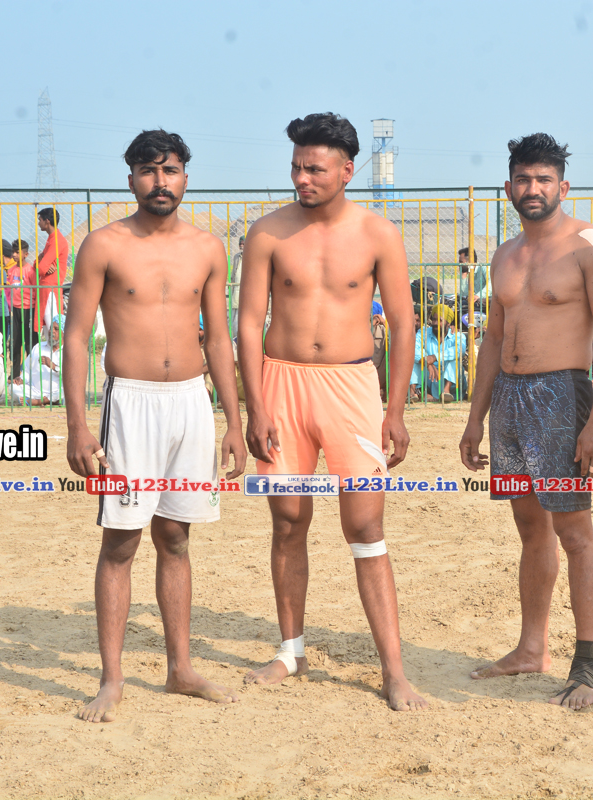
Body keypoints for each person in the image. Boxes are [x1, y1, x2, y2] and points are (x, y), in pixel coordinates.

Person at [237, 112, 425, 711]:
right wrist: (254, 404)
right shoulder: (267, 233)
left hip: (351, 387)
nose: (302, 178)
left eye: (314, 168)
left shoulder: (378, 234)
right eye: (296, 166)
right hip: (281, 384)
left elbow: (403, 323)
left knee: (365, 527)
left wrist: (395, 409)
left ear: (347, 170)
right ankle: (291, 650)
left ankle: (394, 671)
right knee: (288, 521)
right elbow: (248, 323)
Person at [63, 129, 246, 723]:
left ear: (185, 177)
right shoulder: (103, 245)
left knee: (176, 537)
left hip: (191, 402)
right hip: (130, 404)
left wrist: (233, 420)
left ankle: (180, 669)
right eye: (148, 171)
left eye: (169, 170)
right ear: (131, 179)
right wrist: (77, 427)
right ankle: (112, 679)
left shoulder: (208, 248)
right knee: (121, 541)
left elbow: (218, 340)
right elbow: (75, 337)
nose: (159, 181)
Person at [458, 132, 593, 711]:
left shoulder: (590, 245)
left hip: (562, 395)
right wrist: (475, 419)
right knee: (530, 528)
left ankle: (588, 666)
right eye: (523, 179)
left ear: (563, 185)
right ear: (509, 187)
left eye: (544, 179)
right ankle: (532, 648)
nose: (533, 189)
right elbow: (493, 339)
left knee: (574, 532)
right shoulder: (504, 255)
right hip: (509, 400)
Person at [11, 313, 65, 406]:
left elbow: (71, 375)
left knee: (68, 391)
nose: (51, 331)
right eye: (50, 328)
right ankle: (50, 401)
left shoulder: (68, 351)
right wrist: (21, 379)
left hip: (57, 392)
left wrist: (53, 366)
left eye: (56, 329)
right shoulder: (39, 347)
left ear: (64, 333)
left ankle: (39, 401)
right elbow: (27, 370)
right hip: (36, 392)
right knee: (13, 387)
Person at [6, 239, 39, 382]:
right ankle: (15, 374)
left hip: (29, 309)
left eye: (17, 252)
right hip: (15, 309)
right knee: (15, 343)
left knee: (31, 343)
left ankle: (34, 374)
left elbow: (36, 291)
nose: (14, 255)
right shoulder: (11, 270)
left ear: (25, 254)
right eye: (13, 252)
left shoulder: (31, 271)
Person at [35, 206, 70, 334]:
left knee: (54, 331)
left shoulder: (57, 240)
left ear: (47, 221)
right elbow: (38, 264)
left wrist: (41, 262)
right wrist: (41, 262)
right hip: (46, 288)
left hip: (50, 290)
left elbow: (40, 268)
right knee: (48, 330)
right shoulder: (51, 239)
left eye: (40, 220)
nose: (38, 223)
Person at [457, 246, 488, 316]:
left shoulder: (484, 268)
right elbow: (465, 294)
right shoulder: (471, 273)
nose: (459, 265)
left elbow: (491, 284)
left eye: (461, 262)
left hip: (489, 302)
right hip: (479, 302)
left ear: (470, 261)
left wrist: (477, 295)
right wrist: (463, 275)